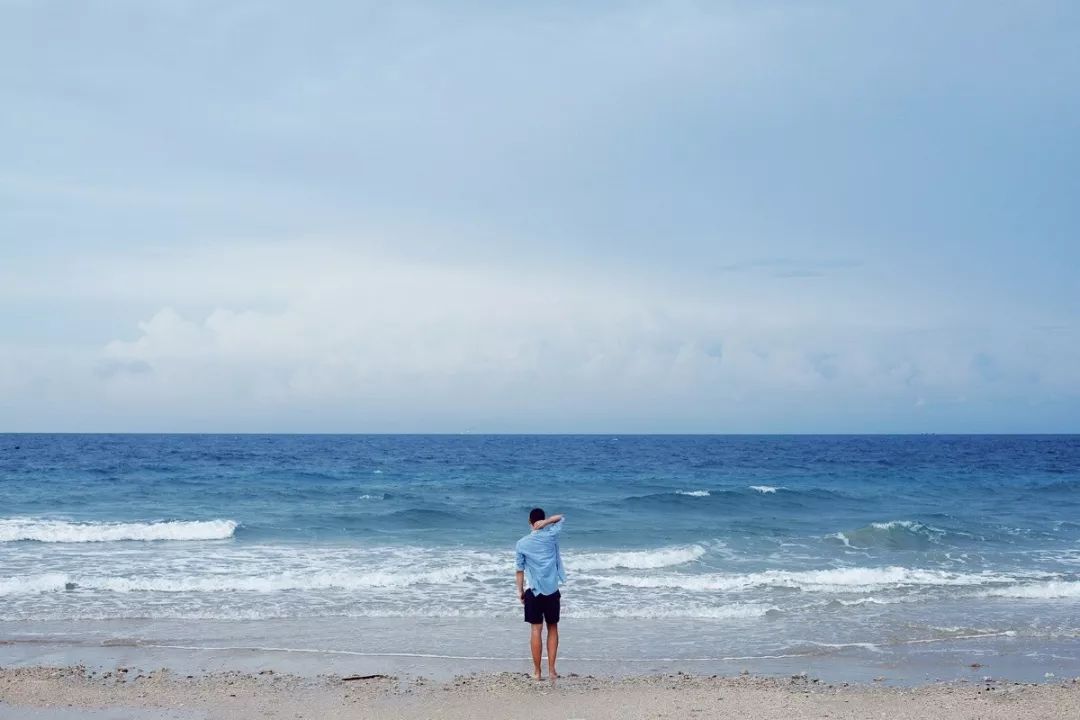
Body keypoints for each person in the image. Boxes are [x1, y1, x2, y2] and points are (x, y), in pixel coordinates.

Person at [514, 507, 565, 682]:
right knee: (552, 628)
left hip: (533, 591)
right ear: (542, 520)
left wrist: (520, 591)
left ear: (529, 521)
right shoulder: (551, 536)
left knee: (536, 629)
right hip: (551, 590)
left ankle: (537, 672)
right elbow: (561, 518)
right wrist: (549, 521)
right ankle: (551, 671)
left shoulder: (522, 543)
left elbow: (519, 570)